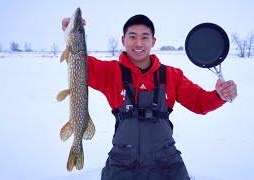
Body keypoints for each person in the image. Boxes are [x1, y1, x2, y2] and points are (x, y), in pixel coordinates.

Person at [62, 14, 237, 180]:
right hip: (122, 164)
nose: (138, 42)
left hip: (167, 164)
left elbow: (200, 103)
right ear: (123, 40)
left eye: (145, 37)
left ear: (153, 41)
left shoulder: (171, 75)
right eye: (132, 36)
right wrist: (72, 34)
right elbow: (79, 60)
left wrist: (219, 96)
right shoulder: (110, 72)